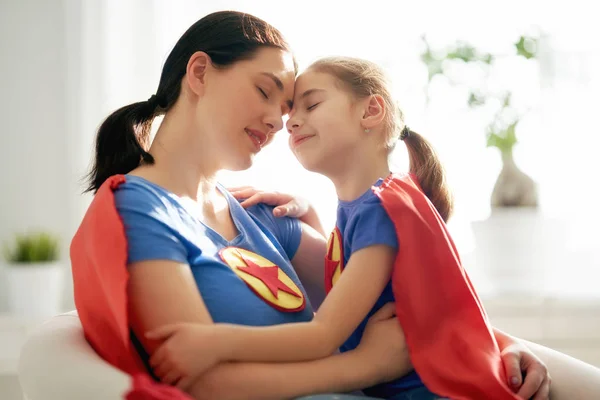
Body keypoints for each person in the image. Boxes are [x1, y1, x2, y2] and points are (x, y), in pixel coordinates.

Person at [80, 10, 560, 400]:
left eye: (290, 108)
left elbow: (402, 288)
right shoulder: (140, 209)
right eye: (265, 91)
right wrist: (365, 366)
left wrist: (496, 348)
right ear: (200, 72)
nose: (278, 121)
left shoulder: (260, 212)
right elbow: (200, 382)